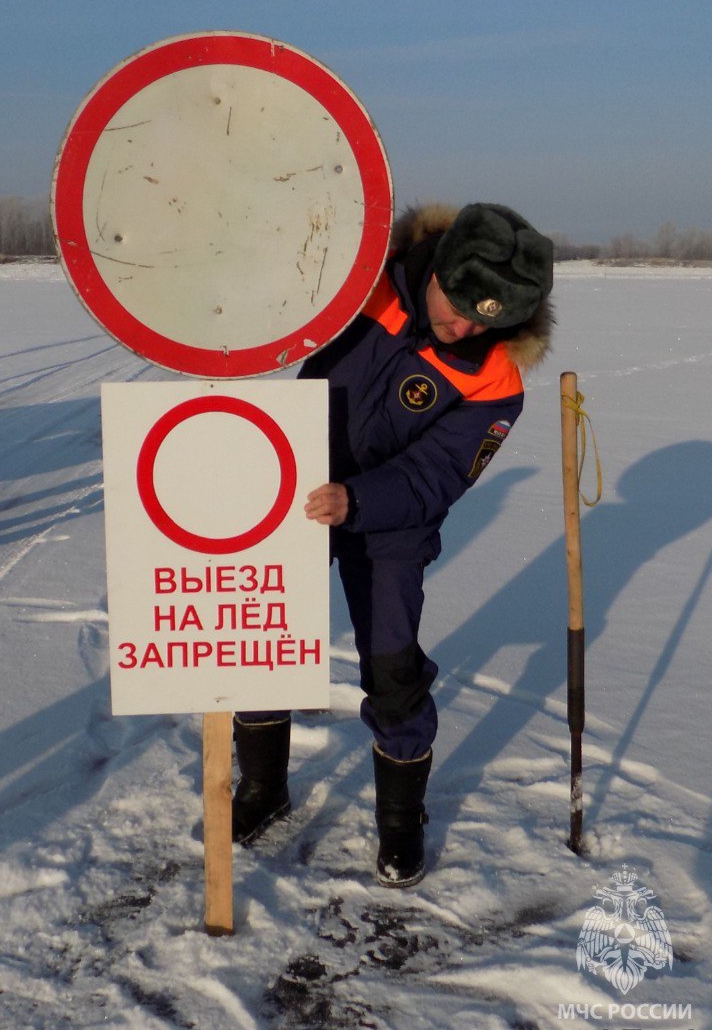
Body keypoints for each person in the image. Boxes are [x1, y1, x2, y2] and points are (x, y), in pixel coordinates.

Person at [233, 202, 554, 888]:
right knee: (262, 632)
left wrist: (359, 499)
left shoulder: (495, 378)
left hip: (391, 521)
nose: (462, 325)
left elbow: (437, 473)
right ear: (434, 268)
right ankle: (262, 788)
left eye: (483, 317)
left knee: (392, 664)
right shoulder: (360, 283)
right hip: (291, 486)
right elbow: (261, 299)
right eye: (457, 303)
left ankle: (400, 821)